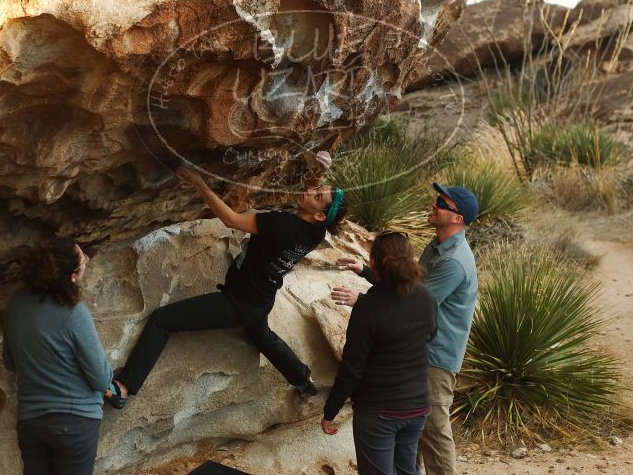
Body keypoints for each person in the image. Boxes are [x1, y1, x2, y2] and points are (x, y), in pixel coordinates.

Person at [105, 166, 348, 408]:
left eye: (317, 195)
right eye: (317, 188)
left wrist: (199, 183)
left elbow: (231, 219)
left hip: (239, 302)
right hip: (262, 298)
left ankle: (124, 388)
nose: (310, 191)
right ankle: (302, 379)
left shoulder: (280, 224)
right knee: (262, 336)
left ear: (319, 215)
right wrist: (318, 172)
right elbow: (311, 194)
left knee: (163, 320)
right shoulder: (316, 231)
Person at [332, 183, 479, 475]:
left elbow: (412, 301)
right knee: (414, 441)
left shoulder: (453, 262)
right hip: (420, 352)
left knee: (435, 435)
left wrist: (362, 302)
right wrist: (365, 270)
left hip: (437, 359)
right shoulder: (436, 247)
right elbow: (407, 285)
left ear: (458, 219)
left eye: (441, 203)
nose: (434, 205)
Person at [321, 231, 437, 475]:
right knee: (407, 470)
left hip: (379, 412)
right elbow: (431, 335)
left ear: (373, 261)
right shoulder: (425, 296)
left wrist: (330, 410)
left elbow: (352, 367)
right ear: (410, 258)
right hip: (416, 406)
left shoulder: (368, 307)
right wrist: (364, 271)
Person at [2, 238, 112, 475]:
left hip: (31, 422)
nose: (86, 261)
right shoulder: (74, 313)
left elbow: (10, 362)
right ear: (73, 275)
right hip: (74, 423)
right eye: (83, 260)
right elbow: (101, 379)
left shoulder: (16, 304)